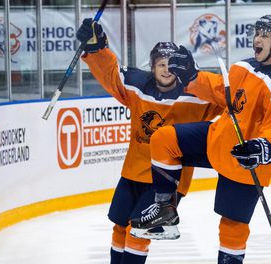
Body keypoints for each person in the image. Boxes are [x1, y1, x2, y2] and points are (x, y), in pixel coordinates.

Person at [130, 15, 271, 263]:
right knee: (164, 138)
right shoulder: (244, 67)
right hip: (218, 139)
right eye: (257, 33)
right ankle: (165, 210)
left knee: (232, 225)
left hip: (246, 159)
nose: (257, 39)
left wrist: (264, 147)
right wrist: (193, 77)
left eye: (265, 35)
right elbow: (220, 90)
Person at [75, 19, 222, 264]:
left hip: (167, 179)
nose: (166, 70)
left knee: (139, 230)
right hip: (133, 171)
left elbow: (227, 97)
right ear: (152, 67)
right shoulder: (137, 85)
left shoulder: (196, 94)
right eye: (161, 65)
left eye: (171, 65)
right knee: (120, 226)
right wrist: (95, 47)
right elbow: (111, 74)